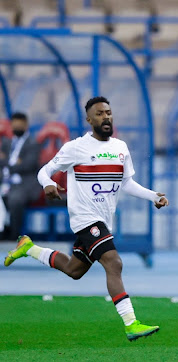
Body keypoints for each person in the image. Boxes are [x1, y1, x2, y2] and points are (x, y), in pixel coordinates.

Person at [3, 97, 168, 341]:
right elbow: (43, 171)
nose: (106, 117)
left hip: (103, 219)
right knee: (114, 262)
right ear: (89, 120)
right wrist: (48, 183)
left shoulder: (121, 148)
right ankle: (131, 323)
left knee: (74, 269)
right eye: (100, 114)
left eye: (108, 112)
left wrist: (152, 196)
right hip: (84, 218)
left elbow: (127, 183)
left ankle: (29, 248)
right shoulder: (75, 148)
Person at [0, 112, 42, 240]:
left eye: (20, 125)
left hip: (24, 184)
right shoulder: (7, 143)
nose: (17, 127)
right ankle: (3, 230)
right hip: (5, 182)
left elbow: (28, 165)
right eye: (14, 125)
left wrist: (7, 162)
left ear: (26, 125)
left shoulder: (33, 143)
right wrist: (14, 162)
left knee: (15, 198)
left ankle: (14, 235)